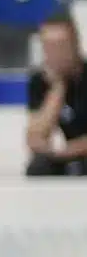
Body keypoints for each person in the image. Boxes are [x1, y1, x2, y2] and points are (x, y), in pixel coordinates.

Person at [29, 18, 87, 180]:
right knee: (38, 167)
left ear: (75, 44)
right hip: (68, 154)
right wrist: (58, 88)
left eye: (61, 46)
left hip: (78, 152)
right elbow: (34, 137)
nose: (55, 53)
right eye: (49, 47)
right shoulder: (40, 81)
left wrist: (67, 150)